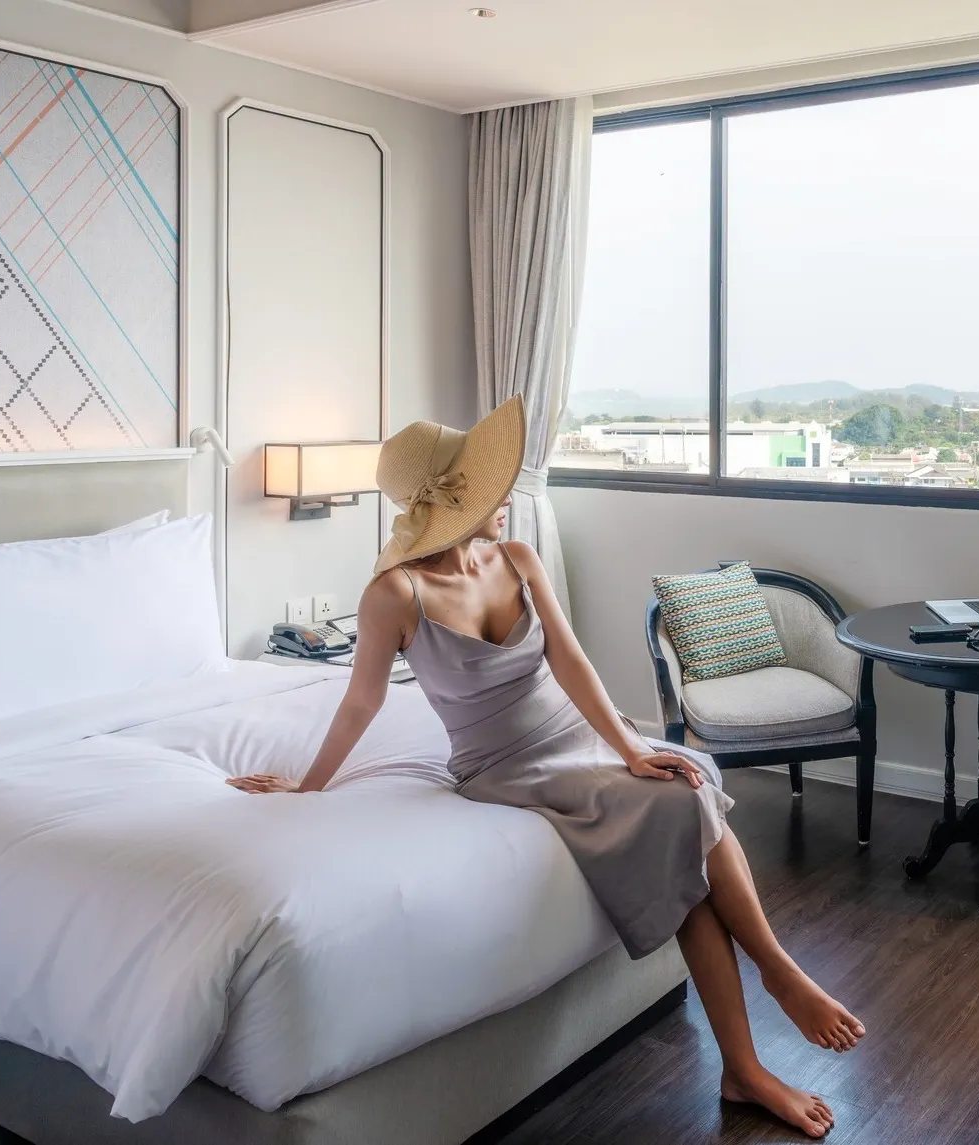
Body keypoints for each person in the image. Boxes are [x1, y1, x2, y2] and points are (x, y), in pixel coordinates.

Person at [228, 394, 864, 1138]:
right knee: (680, 807)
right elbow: (360, 703)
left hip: (576, 737)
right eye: (487, 486)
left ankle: (747, 1057)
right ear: (452, 502)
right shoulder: (394, 594)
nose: (505, 496)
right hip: (504, 765)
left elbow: (571, 662)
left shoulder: (519, 559)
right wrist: (308, 785)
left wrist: (631, 746)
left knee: (682, 790)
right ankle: (776, 982)